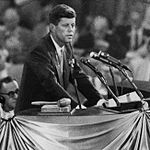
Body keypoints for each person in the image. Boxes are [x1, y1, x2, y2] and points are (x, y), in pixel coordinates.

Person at [15, 4, 105, 114]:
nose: (70, 30)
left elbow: (78, 76)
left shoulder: (67, 47)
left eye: (73, 25)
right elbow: (50, 84)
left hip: (55, 112)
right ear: (52, 28)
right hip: (32, 115)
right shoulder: (39, 51)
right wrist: (75, 108)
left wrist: (99, 100)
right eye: (65, 25)